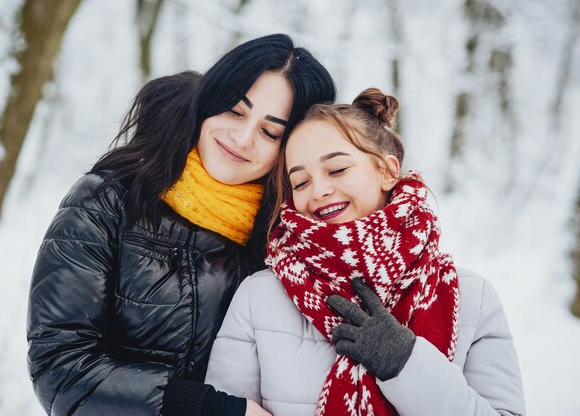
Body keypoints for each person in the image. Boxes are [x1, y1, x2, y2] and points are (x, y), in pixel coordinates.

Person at [27, 33, 336, 416]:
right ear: (209, 102)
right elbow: (59, 369)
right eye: (235, 112)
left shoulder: (287, 242)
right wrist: (207, 409)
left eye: (270, 131)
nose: (242, 139)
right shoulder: (107, 201)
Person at [205, 88, 526, 415]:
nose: (319, 191)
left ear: (387, 171)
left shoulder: (472, 297)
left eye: (337, 170)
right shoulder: (260, 296)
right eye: (300, 182)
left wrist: (405, 363)